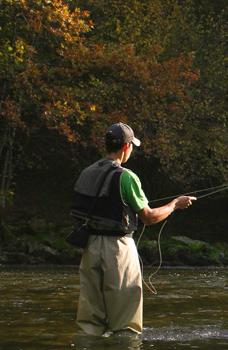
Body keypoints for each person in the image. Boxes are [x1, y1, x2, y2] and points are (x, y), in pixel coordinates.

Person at [72, 122, 194, 337]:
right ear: (126, 147)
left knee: (89, 322)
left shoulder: (86, 173)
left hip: (89, 247)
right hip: (118, 249)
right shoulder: (126, 177)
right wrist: (175, 204)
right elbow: (148, 217)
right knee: (125, 322)